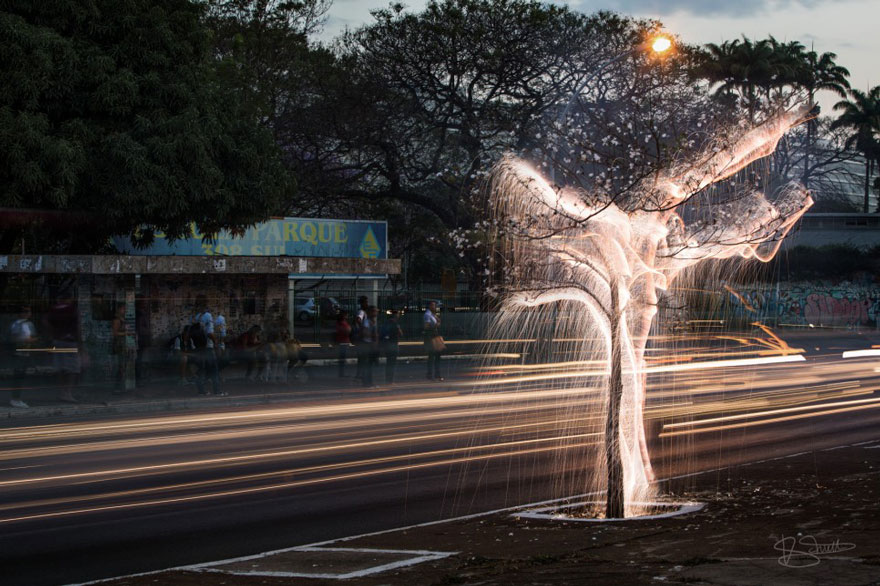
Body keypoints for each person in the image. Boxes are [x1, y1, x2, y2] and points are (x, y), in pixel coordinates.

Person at [48, 290, 81, 403]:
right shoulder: (72, 309)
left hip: (57, 340)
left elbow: (46, 322)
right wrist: (81, 345)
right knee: (72, 369)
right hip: (70, 341)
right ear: (69, 299)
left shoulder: (53, 309)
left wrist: (54, 335)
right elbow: (78, 327)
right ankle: (67, 392)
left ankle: (62, 392)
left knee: (61, 368)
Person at [192, 295, 225, 396]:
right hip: (207, 347)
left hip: (198, 347)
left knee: (201, 369)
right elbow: (209, 332)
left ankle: (201, 391)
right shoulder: (207, 316)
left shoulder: (195, 316)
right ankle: (217, 391)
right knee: (214, 369)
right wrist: (216, 343)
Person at [8, 306, 36, 408]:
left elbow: (31, 337)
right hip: (19, 354)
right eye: (25, 311)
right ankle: (15, 399)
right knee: (18, 376)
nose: (28, 313)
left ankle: (17, 398)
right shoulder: (17, 324)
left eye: (28, 311)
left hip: (25, 353)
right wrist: (25, 341)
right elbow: (13, 339)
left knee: (21, 375)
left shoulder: (29, 324)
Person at [380, 310, 403, 385]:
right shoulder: (395, 323)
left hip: (387, 344)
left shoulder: (386, 323)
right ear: (396, 316)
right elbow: (400, 334)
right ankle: (390, 380)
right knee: (392, 363)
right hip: (393, 344)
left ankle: (387, 379)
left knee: (388, 362)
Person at [423, 300, 444, 381]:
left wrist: (437, 320)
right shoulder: (427, 315)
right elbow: (426, 326)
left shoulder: (432, 314)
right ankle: (433, 375)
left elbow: (437, 322)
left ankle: (434, 375)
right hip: (431, 337)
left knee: (435, 356)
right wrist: (436, 324)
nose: (435, 307)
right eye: (433, 305)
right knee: (433, 357)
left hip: (434, 336)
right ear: (429, 306)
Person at [359, 305, 379, 387]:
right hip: (367, 345)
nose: (376, 313)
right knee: (368, 365)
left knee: (370, 365)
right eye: (374, 311)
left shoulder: (372, 321)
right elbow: (364, 333)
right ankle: (367, 383)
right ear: (370, 312)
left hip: (371, 346)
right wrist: (373, 335)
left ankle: (369, 382)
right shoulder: (367, 322)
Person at [111, 304, 127, 393]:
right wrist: (126, 333)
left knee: (122, 366)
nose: (124, 311)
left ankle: (120, 386)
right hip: (119, 345)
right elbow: (115, 333)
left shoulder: (122, 319)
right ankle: (117, 387)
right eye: (123, 309)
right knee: (120, 366)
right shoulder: (117, 320)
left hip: (122, 344)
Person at [354, 296, 369, 379]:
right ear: (362, 303)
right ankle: (361, 374)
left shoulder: (363, 311)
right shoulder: (361, 312)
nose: (367, 304)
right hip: (362, 339)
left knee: (361, 358)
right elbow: (358, 319)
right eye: (366, 302)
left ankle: (359, 374)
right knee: (363, 357)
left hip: (361, 338)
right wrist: (363, 329)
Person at [334, 310, 352, 377]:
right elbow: (347, 330)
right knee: (342, 359)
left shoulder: (340, 322)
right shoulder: (342, 323)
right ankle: (341, 373)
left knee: (342, 358)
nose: (347, 316)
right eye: (346, 315)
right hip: (343, 342)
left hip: (343, 341)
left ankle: (341, 373)